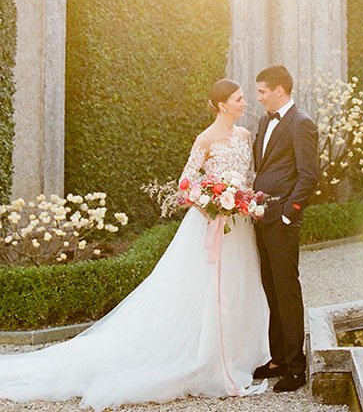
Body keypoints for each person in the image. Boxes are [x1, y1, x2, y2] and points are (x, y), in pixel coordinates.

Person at [0, 79, 271, 411]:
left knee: (239, 285)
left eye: (245, 97)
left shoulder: (245, 136)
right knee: (206, 288)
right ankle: (208, 356)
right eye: (239, 98)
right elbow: (187, 184)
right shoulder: (205, 139)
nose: (245, 103)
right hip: (211, 225)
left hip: (240, 226)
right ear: (221, 105)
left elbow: (249, 177)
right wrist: (214, 204)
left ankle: (243, 352)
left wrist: (241, 201)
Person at [252, 65, 320, 393]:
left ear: (280, 90)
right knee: (271, 288)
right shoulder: (265, 121)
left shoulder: (301, 123)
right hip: (261, 218)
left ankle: (296, 366)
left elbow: (309, 176)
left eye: (263, 91)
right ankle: (278, 358)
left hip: (281, 221)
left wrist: (288, 214)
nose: (259, 97)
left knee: (287, 292)